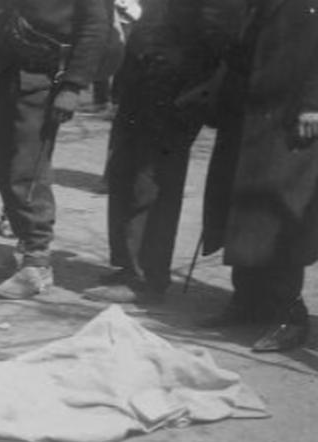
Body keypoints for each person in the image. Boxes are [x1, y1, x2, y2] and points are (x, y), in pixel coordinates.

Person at [0, 0, 109, 299]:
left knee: (27, 170)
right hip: (1, 73)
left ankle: (37, 263)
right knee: (3, 165)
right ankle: (23, 252)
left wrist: (73, 85)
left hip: (42, 79)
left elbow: (94, 29)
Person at [198, 0, 317, 352]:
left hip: (290, 117)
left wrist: (314, 102)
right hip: (249, 111)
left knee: (279, 212)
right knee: (243, 211)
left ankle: (288, 315)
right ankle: (248, 300)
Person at [82, 0, 203, 305]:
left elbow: (216, 38)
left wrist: (187, 90)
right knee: (124, 179)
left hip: (171, 95)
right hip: (141, 89)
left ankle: (147, 278)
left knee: (150, 187)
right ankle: (127, 266)